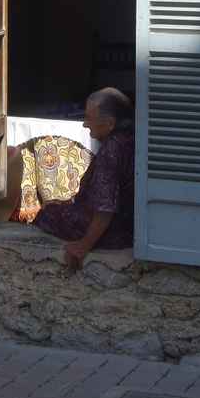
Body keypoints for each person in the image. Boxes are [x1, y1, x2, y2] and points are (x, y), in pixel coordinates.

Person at [33, 87, 135, 270]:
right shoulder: (131, 138)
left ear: (110, 123)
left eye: (89, 118)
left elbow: (105, 208)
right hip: (129, 228)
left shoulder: (112, 150)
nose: (84, 124)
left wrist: (83, 246)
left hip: (113, 233)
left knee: (47, 213)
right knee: (58, 205)